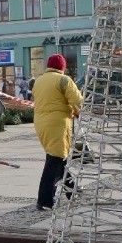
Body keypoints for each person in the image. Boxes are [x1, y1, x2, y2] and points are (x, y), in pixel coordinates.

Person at [32, 54, 83, 210]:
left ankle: (72, 192)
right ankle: (45, 201)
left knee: (60, 159)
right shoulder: (64, 80)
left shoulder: (38, 81)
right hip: (58, 124)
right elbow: (78, 101)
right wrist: (79, 112)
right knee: (54, 161)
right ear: (62, 67)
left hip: (41, 124)